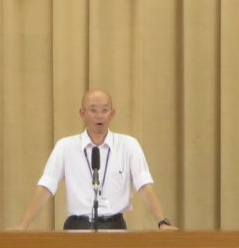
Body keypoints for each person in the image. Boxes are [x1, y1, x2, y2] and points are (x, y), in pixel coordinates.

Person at [10, 89, 178, 231]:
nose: (99, 116)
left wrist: (162, 222)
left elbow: (144, 186)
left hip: (115, 227)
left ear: (112, 113)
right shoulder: (65, 146)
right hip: (77, 227)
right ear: (82, 113)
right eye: (93, 110)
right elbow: (46, 186)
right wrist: (23, 225)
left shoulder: (128, 145)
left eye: (105, 110)